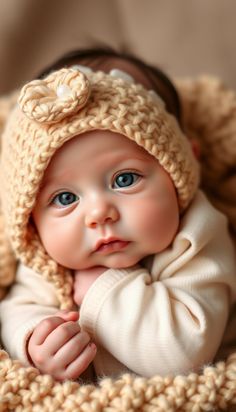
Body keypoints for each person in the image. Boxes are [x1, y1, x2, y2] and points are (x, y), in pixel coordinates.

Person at [0, 48, 236, 382]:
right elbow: (14, 310)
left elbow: (185, 353)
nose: (98, 214)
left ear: (181, 165)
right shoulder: (44, 256)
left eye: (124, 179)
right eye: (65, 197)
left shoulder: (197, 234)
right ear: (30, 215)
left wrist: (103, 285)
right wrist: (33, 342)